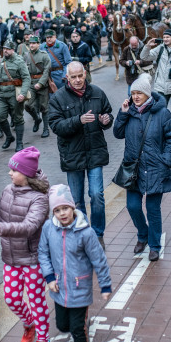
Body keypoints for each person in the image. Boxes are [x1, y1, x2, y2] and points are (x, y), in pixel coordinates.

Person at [0, 147, 52, 342]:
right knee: (11, 298)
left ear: (27, 173)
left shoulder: (39, 198)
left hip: (32, 260)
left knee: (37, 300)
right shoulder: (7, 190)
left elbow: (30, 226)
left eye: (14, 170)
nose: (10, 174)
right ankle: (28, 323)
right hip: (10, 259)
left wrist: (1, 230)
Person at [38, 184, 112, 342]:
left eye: (65, 208)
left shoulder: (85, 233)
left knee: (77, 330)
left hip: (80, 288)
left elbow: (99, 260)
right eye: (57, 210)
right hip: (58, 287)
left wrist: (105, 285)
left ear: (73, 207)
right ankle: (81, 322)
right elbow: (43, 252)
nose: (62, 213)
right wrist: (49, 277)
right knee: (63, 326)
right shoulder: (49, 228)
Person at [113, 74, 171, 261]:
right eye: (133, 93)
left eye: (139, 93)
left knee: (153, 209)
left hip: (155, 168)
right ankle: (143, 234)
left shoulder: (162, 113)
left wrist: (166, 159)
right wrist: (123, 113)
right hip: (133, 170)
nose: (135, 96)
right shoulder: (130, 112)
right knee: (132, 206)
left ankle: (155, 245)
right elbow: (117, 133)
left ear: (147, 94)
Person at [48, 61, 113, 249]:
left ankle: (98, 233)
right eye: (73, 77)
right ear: (66, 77)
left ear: (85, 74)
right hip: (72, 154)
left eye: (80, 76)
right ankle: (83, 234)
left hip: (95, 151)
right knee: (76, 201)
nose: (77, 80)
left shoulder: (97, 93)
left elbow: (107, 115)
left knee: (97, 195)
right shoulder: (58, 98)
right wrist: (78, 120)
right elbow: (56, 126)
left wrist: (106, 120)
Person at [140, 29, 171, 142]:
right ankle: (161, 136)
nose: (165, 39)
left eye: (168, 37)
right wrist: (147, 46)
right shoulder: (160, 48)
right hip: (161, 87)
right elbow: (144, 57)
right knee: (160, 114)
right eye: (164, 37)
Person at [0, 40, 31, 152]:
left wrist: (23, 94)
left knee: (18, 118)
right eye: (4, 49)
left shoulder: (19, 61)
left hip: (14, 93)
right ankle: (9, 137)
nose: (5, 51)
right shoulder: (0, 60)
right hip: (1, 93)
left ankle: (19, 143)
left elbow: (26, 78)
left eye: (8, 49)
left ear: (12, 50)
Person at [22, 35, 52, 138]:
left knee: (44, 108)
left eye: (34, 43)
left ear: (38, 44)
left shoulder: (44, 55)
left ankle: (45, 129)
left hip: (42, 84)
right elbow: (23, 70)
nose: (31, 45)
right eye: (30, 43)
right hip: (30, 83)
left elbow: (47, 71)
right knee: (27, 105)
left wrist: (41, 83)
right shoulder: (26, 55)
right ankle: (36, 119)